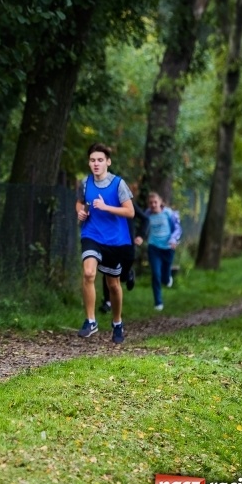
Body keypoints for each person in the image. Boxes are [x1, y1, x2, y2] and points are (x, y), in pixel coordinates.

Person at [75, 143, 135, 344]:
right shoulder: (85, 183)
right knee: (89, 273)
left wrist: (106, 207)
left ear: (108, 162)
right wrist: (81, 211)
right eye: (92, 160)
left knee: (113, 285)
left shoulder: (118, 184)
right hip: (91, 234)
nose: (96, 164)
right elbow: (80, 201)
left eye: (100, 160)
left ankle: (117, 322)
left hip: (115, 240)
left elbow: (130, 211)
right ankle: (90, 321)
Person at [98, 199, 148, 314]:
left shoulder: (128, 203)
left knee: (122, 276)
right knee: (108, 271)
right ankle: (107, 302)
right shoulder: (104, 202)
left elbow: (145, 219)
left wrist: (141, 235)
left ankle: (128, 274)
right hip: (109, 243)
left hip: (127, 244)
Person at [144, 192, 182, 311]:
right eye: (151, 203)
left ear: (160, 202)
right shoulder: (147, 215)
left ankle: (168, 278)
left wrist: (173, 239)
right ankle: (158, 302)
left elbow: (177, 228)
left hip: (168, 248)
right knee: (156, 274)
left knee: (165, 277)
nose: (153, 205)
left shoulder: (169, 213)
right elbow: (142, 228)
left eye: (155, 202)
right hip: (153, 247)